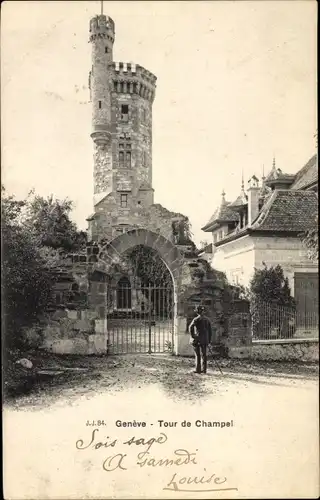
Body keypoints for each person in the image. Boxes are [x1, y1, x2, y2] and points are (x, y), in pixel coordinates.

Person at [188, 305, 212, 374]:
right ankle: (204, 370)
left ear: (197, 312)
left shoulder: (196, 319)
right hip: (205, 340)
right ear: (203, 311)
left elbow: (190, 328)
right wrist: (208, 340)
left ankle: (198, 369)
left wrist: (193, 336)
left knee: (197, 355)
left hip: (197, 340)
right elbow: (210, 332)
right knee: (204, 355)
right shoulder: (207, 320)